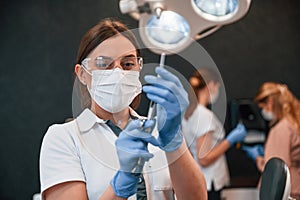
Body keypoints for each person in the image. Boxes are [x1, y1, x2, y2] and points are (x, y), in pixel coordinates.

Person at [39, 18, 207, 200]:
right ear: (82, 74)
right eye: (104, 64)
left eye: (127, 64)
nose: (118, 73)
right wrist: (121, 184)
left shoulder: (160, 131)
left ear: (139, 69)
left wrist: (174, 141)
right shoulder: (64, 138)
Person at [182, 68, 247, 200]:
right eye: (217, 86)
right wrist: (229, 141)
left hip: (199, 179)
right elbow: (204, 158)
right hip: (209, 182)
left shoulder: (189, 113)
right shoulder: (204, 116)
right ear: (210, 84)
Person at [242, 82, 300, 200]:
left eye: (262, 108)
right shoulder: (291, 124)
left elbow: (277, 168)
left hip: (286, 192)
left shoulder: (281, 129)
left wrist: (259, 161)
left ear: (270, 103)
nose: (263, 112)